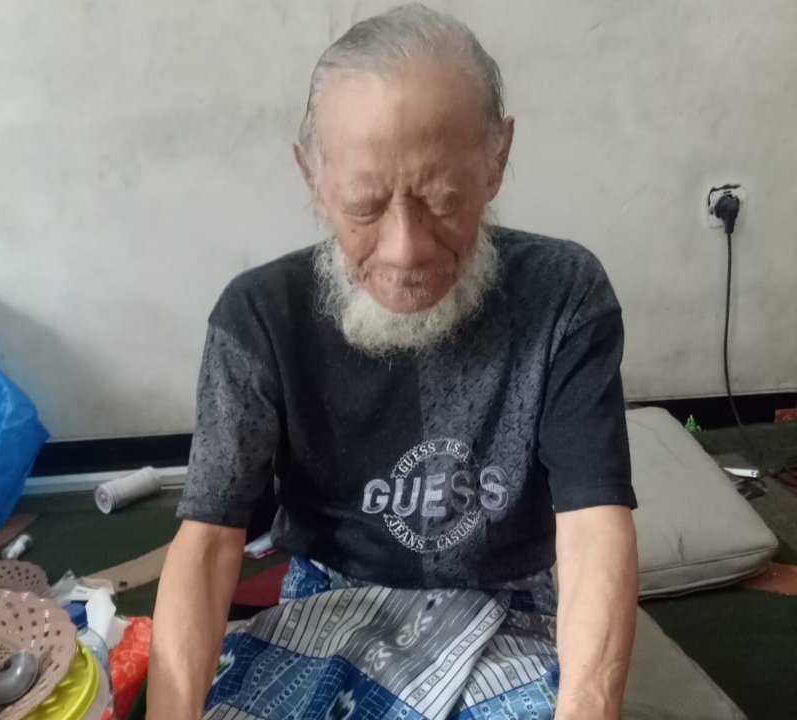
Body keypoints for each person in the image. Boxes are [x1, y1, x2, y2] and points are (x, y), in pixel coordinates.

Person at [148, 4, 638, 719]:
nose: (406, 251)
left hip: (509, 600)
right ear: (313, 179)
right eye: (364, 206)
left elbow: (594, 530)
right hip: (329, 597)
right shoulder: (258, 317)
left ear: (497, 159)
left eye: (443, 200)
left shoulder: (564, 295)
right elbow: (208, 543)